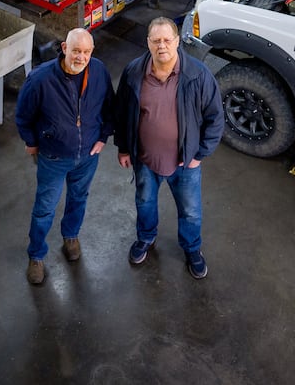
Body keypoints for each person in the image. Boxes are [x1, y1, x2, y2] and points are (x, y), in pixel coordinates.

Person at [115, 17, 224, 279]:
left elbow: (215, 118)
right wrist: (123, 148)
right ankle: (145, 238)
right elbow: (121, 113)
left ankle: (192, 249)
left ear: (177, 41)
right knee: (144, 202)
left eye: (167, 40)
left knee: (190, 211)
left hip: (184, 163)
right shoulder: (133, 72)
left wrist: (200, 154)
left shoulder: (197, 75)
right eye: (156, 40)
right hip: (145, 159)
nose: (161, 45)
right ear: (148, 43)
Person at [17, 27, 114, 286]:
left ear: (92, 52)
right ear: (64, 49)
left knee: (78, 198)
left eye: (86, 52)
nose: (80, 57)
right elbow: (23, 115)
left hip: (88, 157)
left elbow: (110, 108)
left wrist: (103, 136)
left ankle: (71, 236)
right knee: (44, 209)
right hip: (53, 158)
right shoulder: (40, 79)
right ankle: (36, 255)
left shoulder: (99, 72)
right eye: (75, 51)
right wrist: (31, 142)